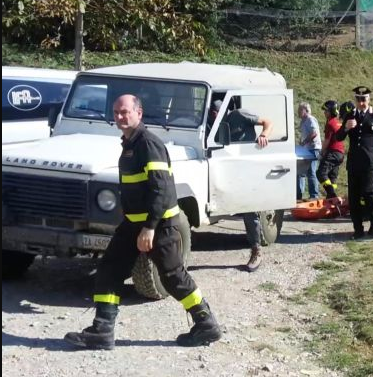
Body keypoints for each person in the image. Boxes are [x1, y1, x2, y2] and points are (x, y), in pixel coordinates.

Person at [64, 95, 221, 350]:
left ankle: (206, 324)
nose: (119, 117)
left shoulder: (148, 144)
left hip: (158, 226)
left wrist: (149, 227)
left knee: (172, 276)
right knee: (109, 269)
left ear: (139, 113)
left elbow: (161, 190)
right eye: (116, 112)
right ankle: (102, 331)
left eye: (125, 112)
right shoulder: (130, 143)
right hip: (132, 225)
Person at [220, 97, 273, 271]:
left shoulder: (239, 114)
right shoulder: (210, 120)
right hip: (226, 165)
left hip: (246, 165)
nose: (214, 113)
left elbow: (268, 121)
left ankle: (256, 249)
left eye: (216, 109)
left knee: (249, 208)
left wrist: (264, 135)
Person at [336, 86, 373, 239]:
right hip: (355, 162)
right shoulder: (350, 115)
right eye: (358, 99)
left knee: (368, 192)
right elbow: (338, 137)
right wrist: (346, 128)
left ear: (369, 99)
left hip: (371, 161)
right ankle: (358, 228)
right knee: (353, 196)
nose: (361, 103)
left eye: (364, 99)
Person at [316, 100, 344, 199]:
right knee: (332, 176)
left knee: (321, 173)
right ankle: (330, 198)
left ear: (331, 111)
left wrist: (321, 152)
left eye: (326, 111)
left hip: (333, 152)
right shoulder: (337, 122)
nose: (324, 113)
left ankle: (332, 195)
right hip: (340, 154)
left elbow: (327, 140)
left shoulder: (330, 123)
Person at [297, 102, 322, 201]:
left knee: (311, 171)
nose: (298, 111)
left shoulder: (310, 119)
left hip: (313, 148)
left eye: (300, 109)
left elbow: (314, 133)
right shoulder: (303, 121)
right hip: (307, 149)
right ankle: (299, 195)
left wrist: (304, 142)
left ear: (306, 110)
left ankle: (314, 196)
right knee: (301, 171)